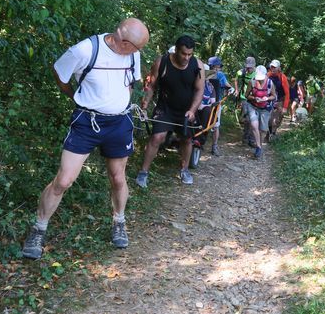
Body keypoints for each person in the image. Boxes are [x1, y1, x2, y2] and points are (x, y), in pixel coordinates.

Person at [22, 18, 150, 260]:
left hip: (119, 122)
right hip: (86, 122)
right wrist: (75, 96)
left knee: (118, 178)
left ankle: (119, 221)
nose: (138, 52)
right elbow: (60, 74)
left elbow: (130, 84)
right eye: (136, 47)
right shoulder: (85, 50)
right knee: (64, 180)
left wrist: (118, 104)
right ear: (123, 42)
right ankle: (38, 230)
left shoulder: (133, 54)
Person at [136, 35, 205, 187]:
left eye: (190, 54)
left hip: (187, 110)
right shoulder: (162, 62)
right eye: (183, 54)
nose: (187, 57)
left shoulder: (197, 65)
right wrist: (145, 105)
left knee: (186, 139)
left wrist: (193, 110)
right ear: (176, 50)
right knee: (156, 137)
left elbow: (200, 90)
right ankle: (143, 172)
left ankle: (184, 170)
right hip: (165, 108)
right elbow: (152, 86)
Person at [246, 65, 277, 158]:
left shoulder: (270, 83)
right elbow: (247, 95)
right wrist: (255, 98)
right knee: (254, 125)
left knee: (263, 129)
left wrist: (266, 98)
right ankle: (258, 147)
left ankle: (259, 144)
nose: (259, 80)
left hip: (265, 108)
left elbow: (274, 96)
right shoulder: (252, 82)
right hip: (253, 106)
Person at [207, 56, 233, 156]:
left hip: (209, 102)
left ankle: (212, 145)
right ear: (214, 66)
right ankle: (213, 146)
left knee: (211, 124)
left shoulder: (206, 73)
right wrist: (230, 89)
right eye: (218, 66)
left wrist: (230, 89)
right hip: (213, 102)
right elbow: (228, 85)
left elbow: (227, 86)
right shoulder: (218, 75)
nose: (219, 68)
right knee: (215, 124)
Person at [234, 56, 257, 146]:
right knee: (247, 118)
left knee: (253, 119)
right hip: (245, 97)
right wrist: (236, 89)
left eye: (250, 67)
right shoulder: (241, 72)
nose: (249, 68)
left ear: (254, 66)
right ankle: (246, 137)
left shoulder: (257, 73)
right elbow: (236, 79)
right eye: (247, 66)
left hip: (255, 99)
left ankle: (251, 139)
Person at [267, 60, 289, 140]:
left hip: (280, 100)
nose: (272, 69)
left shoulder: (283, 78)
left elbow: (287, 93)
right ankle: (269, 132)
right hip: (269, 99)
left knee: (276, 119)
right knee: (269, 118)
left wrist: (285, 107)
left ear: (279, 68)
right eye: (271, 67)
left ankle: (273, 133)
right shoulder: (268, 75)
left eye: (274, 67)